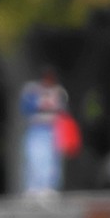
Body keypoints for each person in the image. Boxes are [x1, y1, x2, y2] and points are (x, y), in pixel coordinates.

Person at [20, 66, 68, 198]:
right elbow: (26, 108)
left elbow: (62, 109)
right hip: (35, 129)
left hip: (51, 129)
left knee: (51, 160)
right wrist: (40, 102)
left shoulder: (57, 91)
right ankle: (33, 187)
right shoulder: (32, 90)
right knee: (34, 158)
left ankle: (48, 187)